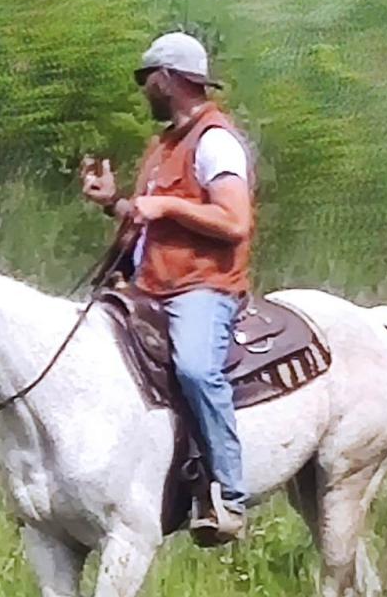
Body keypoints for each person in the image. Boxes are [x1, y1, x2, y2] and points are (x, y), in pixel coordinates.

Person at [81, 31, 256, 542]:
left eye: (147, 79)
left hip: (201, 286)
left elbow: (234, 220)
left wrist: (168, 206)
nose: (143, 90)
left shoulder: (214, 141)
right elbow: (149, 221)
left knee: (196, 369)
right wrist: (114, 203)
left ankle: (229, 493)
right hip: (149, 283)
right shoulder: (162, 147)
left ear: (169, 79)